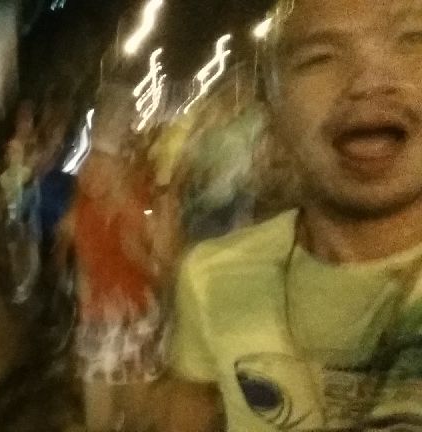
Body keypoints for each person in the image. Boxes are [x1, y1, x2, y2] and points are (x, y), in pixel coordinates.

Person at [167, 0, 422, 430]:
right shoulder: (211, 276)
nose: (370, 80)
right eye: (320, 58)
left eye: (413, 40)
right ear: (273, 123)